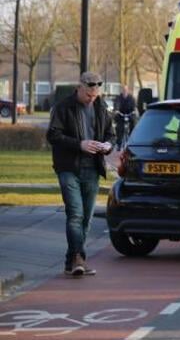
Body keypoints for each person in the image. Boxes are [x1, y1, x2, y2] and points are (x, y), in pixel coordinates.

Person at [46, 72, 115, 277]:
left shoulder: (101, 108)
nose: (91, 99)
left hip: (92, 168)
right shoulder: (63, 107)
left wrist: (107, 145)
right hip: (69, 167)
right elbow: (53, 135)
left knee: (86, 217)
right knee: (75, 213)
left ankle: (72, 261)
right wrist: (80, 144)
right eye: (88, 95)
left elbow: (111, 134)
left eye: (95, 96)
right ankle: (78, 257)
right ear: (80, 87)